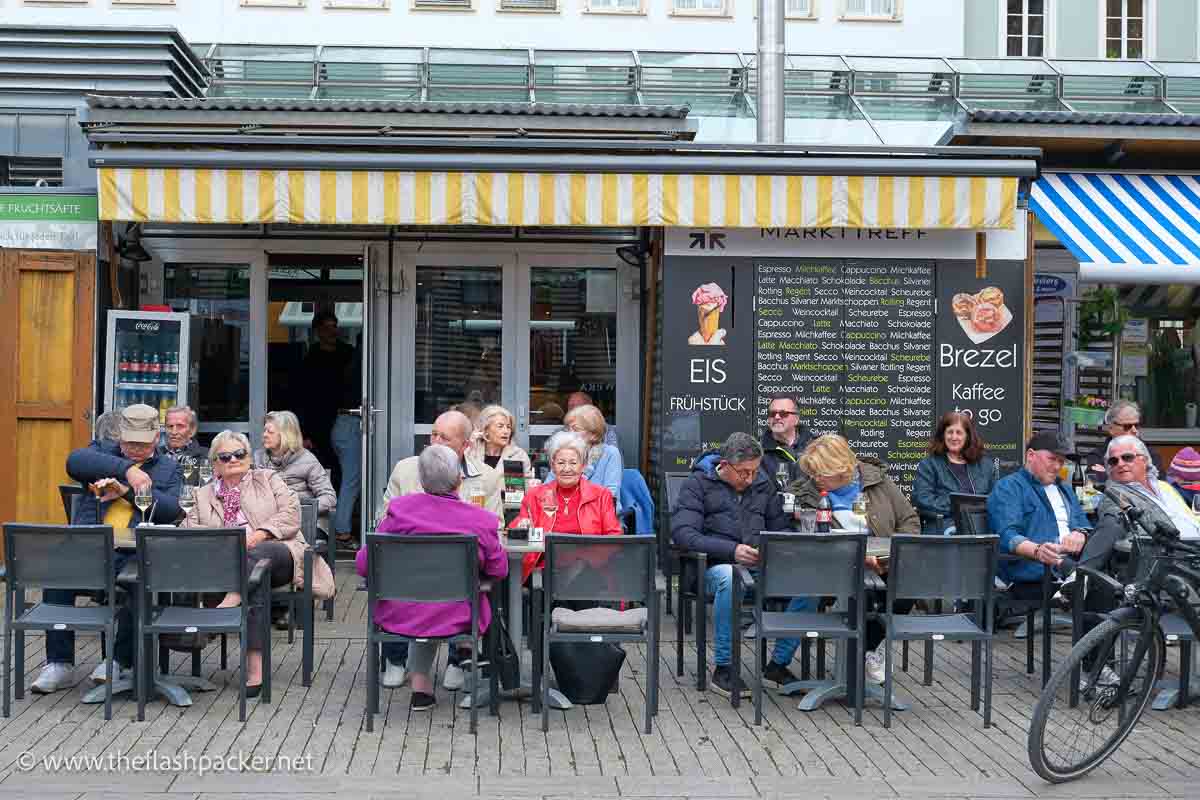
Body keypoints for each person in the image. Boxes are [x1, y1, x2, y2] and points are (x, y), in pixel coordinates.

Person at [32, 404, 182, 694]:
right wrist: (128, 470)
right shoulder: (102, 453)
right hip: (91, 546)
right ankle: (59, 662)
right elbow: (75, 461)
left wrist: (126, 490)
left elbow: (171, 509)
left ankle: (118, 660)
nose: (134, 449)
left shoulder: (168, 467)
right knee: (59, 572)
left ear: (155, 440)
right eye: (129, 443)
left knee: (138, 580)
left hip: (134, 551)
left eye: (141, 444)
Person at [357, 444, 507, 711]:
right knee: (454, 599)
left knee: (427, 601)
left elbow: (365, 564)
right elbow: (499, 570)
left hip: (401, 612)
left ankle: (422, 689)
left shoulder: (399, 511)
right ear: (460, 481)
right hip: (459, 614)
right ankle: (466, 652)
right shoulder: (480, 520)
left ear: (422, 481)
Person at [183, 431, 334, 695]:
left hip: (280, 554)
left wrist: (259, 534)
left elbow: (291, 514)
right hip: (228, 563)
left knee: (259, 555)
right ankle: (256, 671)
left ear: (249, 457)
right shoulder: (202, 494)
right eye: (225, 456)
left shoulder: (268, 479)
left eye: (239, 454)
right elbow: (190, 530)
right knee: (254, 584)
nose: (233, 460)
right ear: (215, 463)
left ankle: (232, 596)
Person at [379, 409, 503, 689]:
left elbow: (498, 527)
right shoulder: (406, 468)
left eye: (444, 438)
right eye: (433, 434)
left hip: (450, 579)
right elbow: (381, 519)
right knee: (475, 591)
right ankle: (396, 658)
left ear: (465, 445)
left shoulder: (488, 477)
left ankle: (452, 663)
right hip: (412, 579)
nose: (435, 442)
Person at [670, 432, 797, 698]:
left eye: (754, 471)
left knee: (810, 580)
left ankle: (778, 664)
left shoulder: (764, 484)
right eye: (743, 473)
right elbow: (683, 534)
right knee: (730, 577)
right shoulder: (698, 483)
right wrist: (732, 550)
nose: (750, 478)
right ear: (724, 465)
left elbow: (780, 529)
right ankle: (724, 668)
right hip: (711, 568)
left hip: (758, 567)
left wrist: (769, 549)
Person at [788, 434, 920, 684]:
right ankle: (860, 659)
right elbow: (804, 531)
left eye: (820, 473)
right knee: (864, 592)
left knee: (907, 584)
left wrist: (889, 555)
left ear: (839, 469)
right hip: (835, 565)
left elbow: (909, 521)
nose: (816, 479)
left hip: (883, 561)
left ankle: (869, 648)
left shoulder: (878, 482)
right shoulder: (808, 492)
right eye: (812, 473)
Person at [987, 431, 1091, 623]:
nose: (1057, 466)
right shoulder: (1009, 487)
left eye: (1061, 461)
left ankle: (1098, 647)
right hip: (1036, 572)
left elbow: (1084, 524)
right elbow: (1007, 535)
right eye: (1052, 459)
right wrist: (1037, 551)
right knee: (1100, 588)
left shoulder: (1065, 489)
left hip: (1072, 565)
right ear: (1030, 455)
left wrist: (1080, 533)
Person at [511, 431, 622, 583]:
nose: (567, 469)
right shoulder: (536, 495)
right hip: (546, 566)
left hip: (590, 568)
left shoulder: (601, 495)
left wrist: (589, 559)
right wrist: (521, 526)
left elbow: (614, 537)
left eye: (573, 463)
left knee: (582, 576)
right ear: (552, 466)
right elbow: (518, 527)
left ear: (583, 466)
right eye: (561, 463)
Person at [297, 310, 361, 548]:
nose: (332, 331)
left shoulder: (349, 354)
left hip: (343, 420)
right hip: (320, 427)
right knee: (323, 478)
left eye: (334, 326)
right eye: (326, 327)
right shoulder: (310, 359)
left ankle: (333, 529)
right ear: (317, 331)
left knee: (344, 477)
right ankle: (325, 531)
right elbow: (303, 398)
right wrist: (305, 433)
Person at [253, 410, 337, 535]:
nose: (264, 435)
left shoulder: (307, 459)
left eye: (270, 432)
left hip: (304, 523)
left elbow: (329, 497)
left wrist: (300, 511)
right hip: (269, 521)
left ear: (286, 435)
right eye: (264, 430)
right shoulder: (259, 457)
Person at [912, 411, 996, 535]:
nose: (954, 437)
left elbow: (995, 500)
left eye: (959, 432)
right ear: (943, 435)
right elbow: (922, 500)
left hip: (979, 529)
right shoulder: (929, 465)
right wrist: (958, 506)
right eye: (950, 432)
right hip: (942, 530)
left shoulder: (986, 466)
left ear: (968, 436)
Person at [557, 404, 623, 510]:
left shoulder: (610, 453)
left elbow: (611, 495)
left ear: (593, 434)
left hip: (600, 517)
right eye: (568, 429)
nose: (570, 434)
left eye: (575, 429)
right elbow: (549, 488)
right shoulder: (563, 453)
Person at [1086, 400, 1161, 481]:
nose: (1134, 430)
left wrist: (1110, 474)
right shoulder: (1097, 455)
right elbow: (1095, 483)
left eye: (1136, 425)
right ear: (1111, 428)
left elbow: (1158, 483)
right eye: (1127, 426)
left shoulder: (1151, 454)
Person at [759, 394, 814, 485]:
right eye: (772, 414)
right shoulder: (758, 451)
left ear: (796, 419)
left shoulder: (816, 447)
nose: (776, 417)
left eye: (783, 414)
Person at [466, 405, 532, 475]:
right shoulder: (472, 452)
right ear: (485, 429)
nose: (506, 431)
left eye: (508, 427)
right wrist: (471, 449)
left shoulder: (518, 455)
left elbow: (520, 484)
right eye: (500, 426)